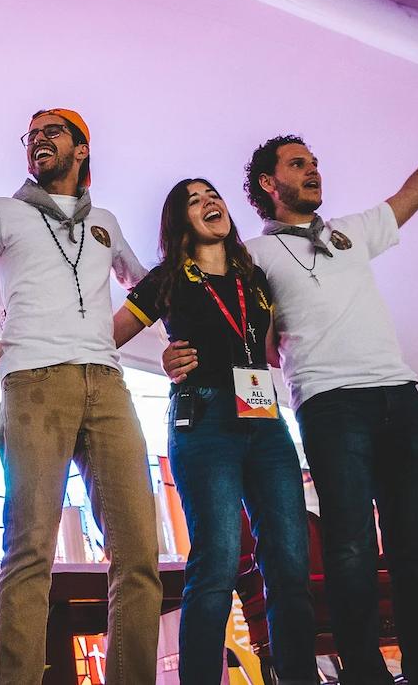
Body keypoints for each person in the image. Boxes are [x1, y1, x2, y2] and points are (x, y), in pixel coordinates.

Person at [163, 95, 418, 685]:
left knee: (415, 554)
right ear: (269, 183)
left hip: (401, 397)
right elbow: (225, 317)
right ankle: (365, 673)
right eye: (297, 164)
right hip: (329, 405)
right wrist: (177, 349)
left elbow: (409, 197)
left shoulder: (351, 231)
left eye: (314, 162)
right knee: (351, 550)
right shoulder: (252, 255)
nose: (313, 169)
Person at [0, 109, 162, 685]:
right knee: (30, 550)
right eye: (31, 135)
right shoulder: (2, 212)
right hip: (35, 383)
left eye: (52, 131)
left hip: (109, 383)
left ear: (82, 149)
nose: (38, 140)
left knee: (139, 555)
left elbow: (150, 289)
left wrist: (162, 337)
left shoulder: (106, 222)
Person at [113, 178, 314, 685]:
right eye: (193, 201)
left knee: (290, 562)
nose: (209, 204)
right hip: (203, 420)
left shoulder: (257, 278)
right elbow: (106, 337)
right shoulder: (166, 280)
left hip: (265, 420)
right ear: (180, 222)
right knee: (218, 560)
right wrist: (161, 357)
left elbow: (268, 349)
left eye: (213, 195)